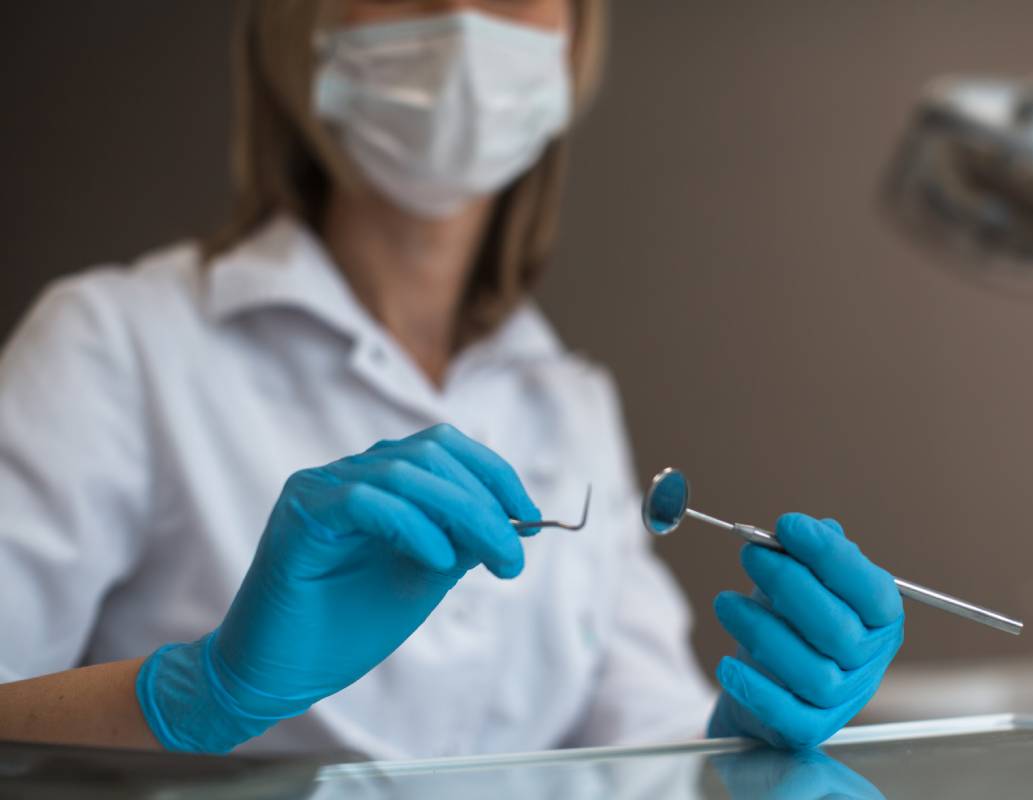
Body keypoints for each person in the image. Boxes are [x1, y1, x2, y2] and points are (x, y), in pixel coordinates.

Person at [0, 0, 904, 758]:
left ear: (574, 40)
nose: (465, 19)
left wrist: (738, 736)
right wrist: (196, 697)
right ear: (300, 24)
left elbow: (644, 755)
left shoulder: (569, 401)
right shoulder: (113, 346)